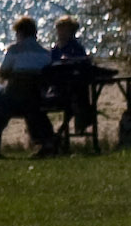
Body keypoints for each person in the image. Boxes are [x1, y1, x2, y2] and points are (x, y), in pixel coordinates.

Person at [0, 15, 54, 158]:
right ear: (35, 33)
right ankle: (45, 142)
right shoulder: (46, 54)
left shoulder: (14, 50)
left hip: (13, 99)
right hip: (35, 101)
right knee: (11, 102)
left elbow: (4, 72)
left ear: (19, 33)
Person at [43, 16, 100, 150]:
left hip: (71, 87)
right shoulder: (55, 49)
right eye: (59, 30)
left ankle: (61, 135)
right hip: (58, 87)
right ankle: (57, 136)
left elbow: (83, 65)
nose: (61, 33)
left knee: (76, 97)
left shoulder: (75, 48)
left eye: (64, 30)